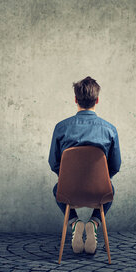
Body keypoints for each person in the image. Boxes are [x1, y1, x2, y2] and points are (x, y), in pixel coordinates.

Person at [49, 76, 121, 254]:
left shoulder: (61, 127)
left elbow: (53, 162)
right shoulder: (110, 129)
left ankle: (74, 222)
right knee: (110, 190)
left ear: (75, 99)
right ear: (97, 100)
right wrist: (100, 179)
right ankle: (94, 223)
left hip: (69, 190)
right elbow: (116, 165)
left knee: (56, 190)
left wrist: (68, 179)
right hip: (99, 190)